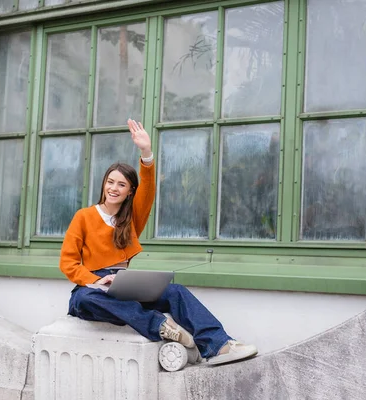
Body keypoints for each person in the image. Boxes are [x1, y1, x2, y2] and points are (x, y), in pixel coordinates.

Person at [59, 119, 258, 365]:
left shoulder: (131, 218)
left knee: (175, 292)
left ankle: (219, 345)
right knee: (84, 300)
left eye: (121, 184)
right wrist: (98, 280)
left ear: (130, 191)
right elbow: (68, 263)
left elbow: (149, 188)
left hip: (124, 285)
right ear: (104, 184)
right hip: (92, 286)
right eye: (110, 182)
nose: (114, 188)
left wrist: (146, 153)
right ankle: (162, 326)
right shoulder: (84, 216)